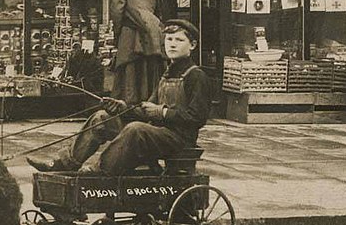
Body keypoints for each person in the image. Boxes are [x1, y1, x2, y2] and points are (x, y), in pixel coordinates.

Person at [27, 20, 211, 176]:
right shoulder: (167, 74)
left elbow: (197, 118)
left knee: (135, 129)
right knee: (101, 118)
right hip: (155, 133)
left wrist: (162, 113)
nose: (172, 44)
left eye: (179, 40)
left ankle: (100, 171)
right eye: (169, 39)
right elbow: (147, 109)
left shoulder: (196, 76)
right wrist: (123, 107)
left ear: (192, 45)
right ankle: (63, 164)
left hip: (178, 140)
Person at [110, 0, 166, 105]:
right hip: (152, 34)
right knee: (148, 67)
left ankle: (129, 101)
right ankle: (146, 100)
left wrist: (116, 35)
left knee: (129, 66)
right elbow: (159, 15)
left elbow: (117, 14)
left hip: (129, 32)